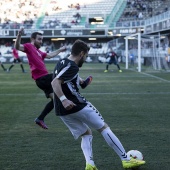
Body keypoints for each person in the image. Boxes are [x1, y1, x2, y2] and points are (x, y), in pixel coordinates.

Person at [51, 40, 146, 170]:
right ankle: (126, 159)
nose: (85, 59)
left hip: (62, 111)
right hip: (76, 104)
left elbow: (70, 82)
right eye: (86, 56)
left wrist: (84, 82)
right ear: (81, 53)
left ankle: (90, 165)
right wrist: (64, 99)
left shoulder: (62, 62)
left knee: (86, 133)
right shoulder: (72, 66)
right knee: (104, 128)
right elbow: (55, 83)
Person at [14, 28, 66, 129]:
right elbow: (17, 47)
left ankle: (40, 119)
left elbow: (50, 55)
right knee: (62, 74)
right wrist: (19, 35)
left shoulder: (38, 51)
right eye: (39, 39)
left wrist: (60, 50)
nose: (41, 41)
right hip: (43, 78)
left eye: (42, 39)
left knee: (56, 100)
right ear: (32, 39)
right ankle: (81, 82)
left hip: (42, 80)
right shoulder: (29, 46)